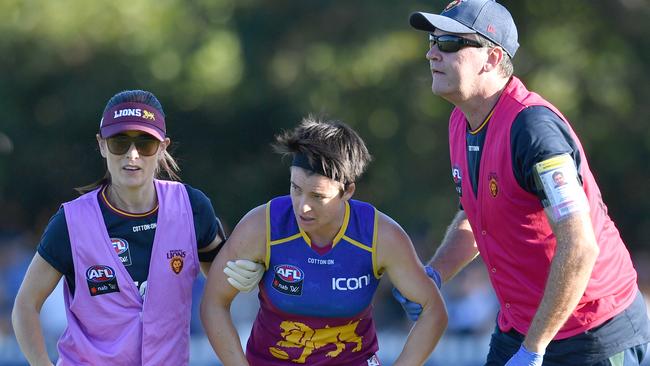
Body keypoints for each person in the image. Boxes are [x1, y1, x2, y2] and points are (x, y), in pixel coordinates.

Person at [393, 0, 650, 365]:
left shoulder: (533, 129)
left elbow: (579, 246)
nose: (432, 53)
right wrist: (435, 273)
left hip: (593, 333)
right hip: (522, 329)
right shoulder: (460, 121)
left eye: (449, 43)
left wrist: (533, 349)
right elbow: (474, 216)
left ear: (493, 58)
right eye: (432, 41)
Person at [11, 89, 262, 365]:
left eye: (145, 143)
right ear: (102, 145)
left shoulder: (192, 207)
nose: (132, 155)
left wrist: (248, 271)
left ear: (163, 147)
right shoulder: (71, 222)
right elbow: (25, 306)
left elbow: (221, 283)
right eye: (120, 142)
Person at [200, 117, 448, 366]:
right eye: (295, 188)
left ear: (347, 191)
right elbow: (213, 303)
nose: (302, 206)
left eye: (318, 195)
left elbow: (434, 311)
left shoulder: (380, 236)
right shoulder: (261, 226)